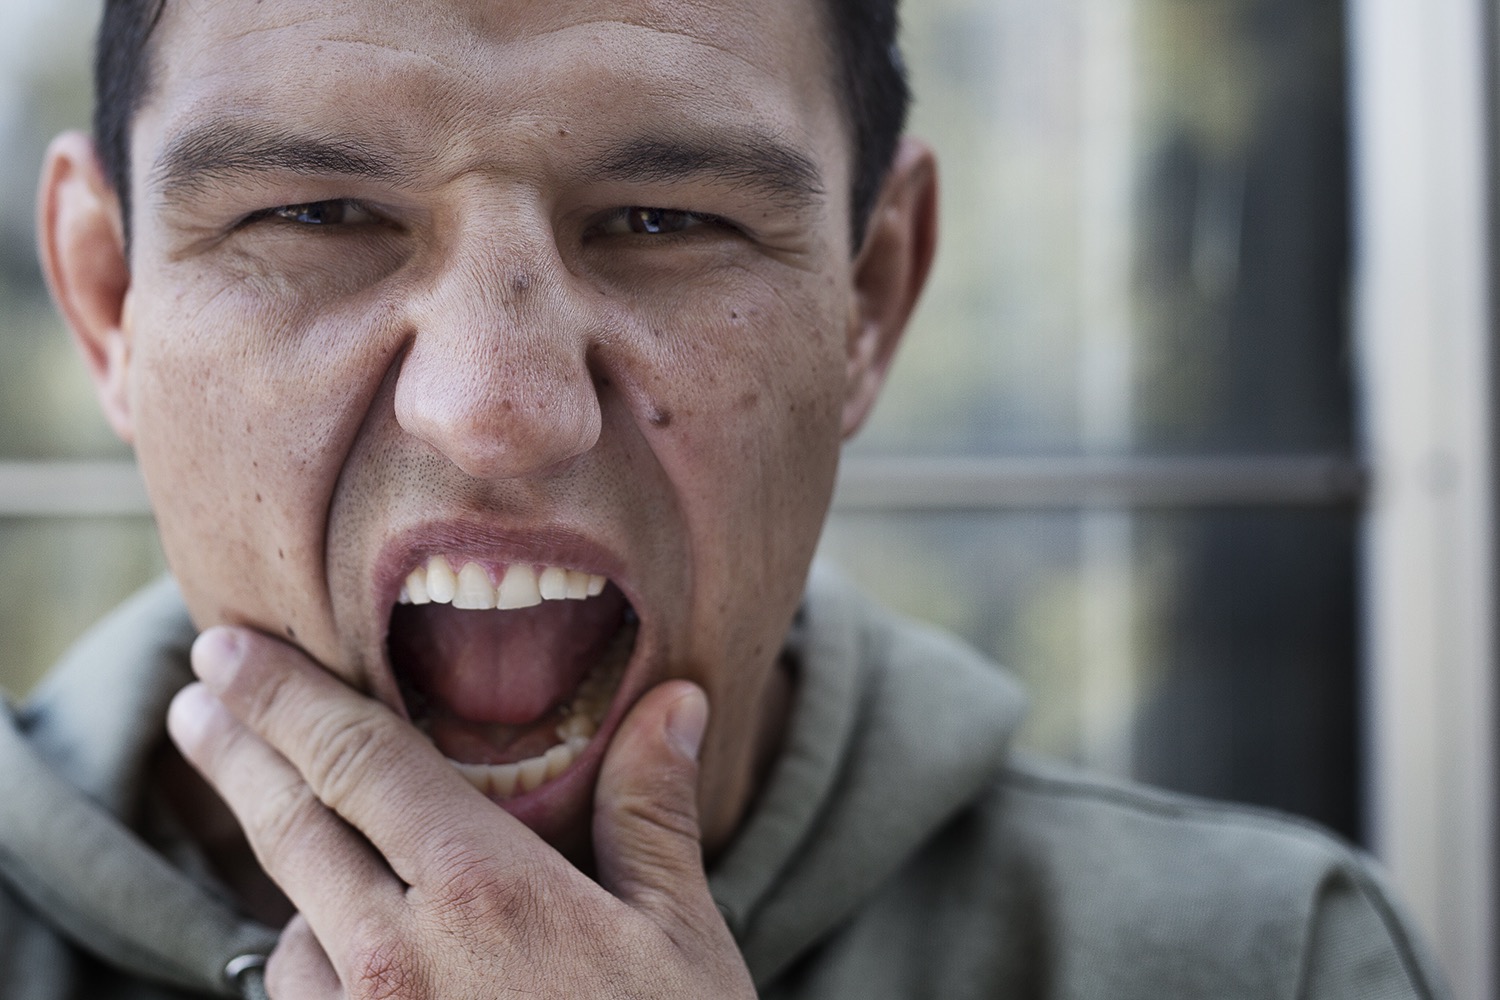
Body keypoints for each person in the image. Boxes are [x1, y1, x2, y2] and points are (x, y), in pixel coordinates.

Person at [0, 0, 1449, 997]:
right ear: (109, 295)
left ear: (870, 299)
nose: (498, 408)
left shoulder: (1266, 961)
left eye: (665, 220)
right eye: (316, 216)